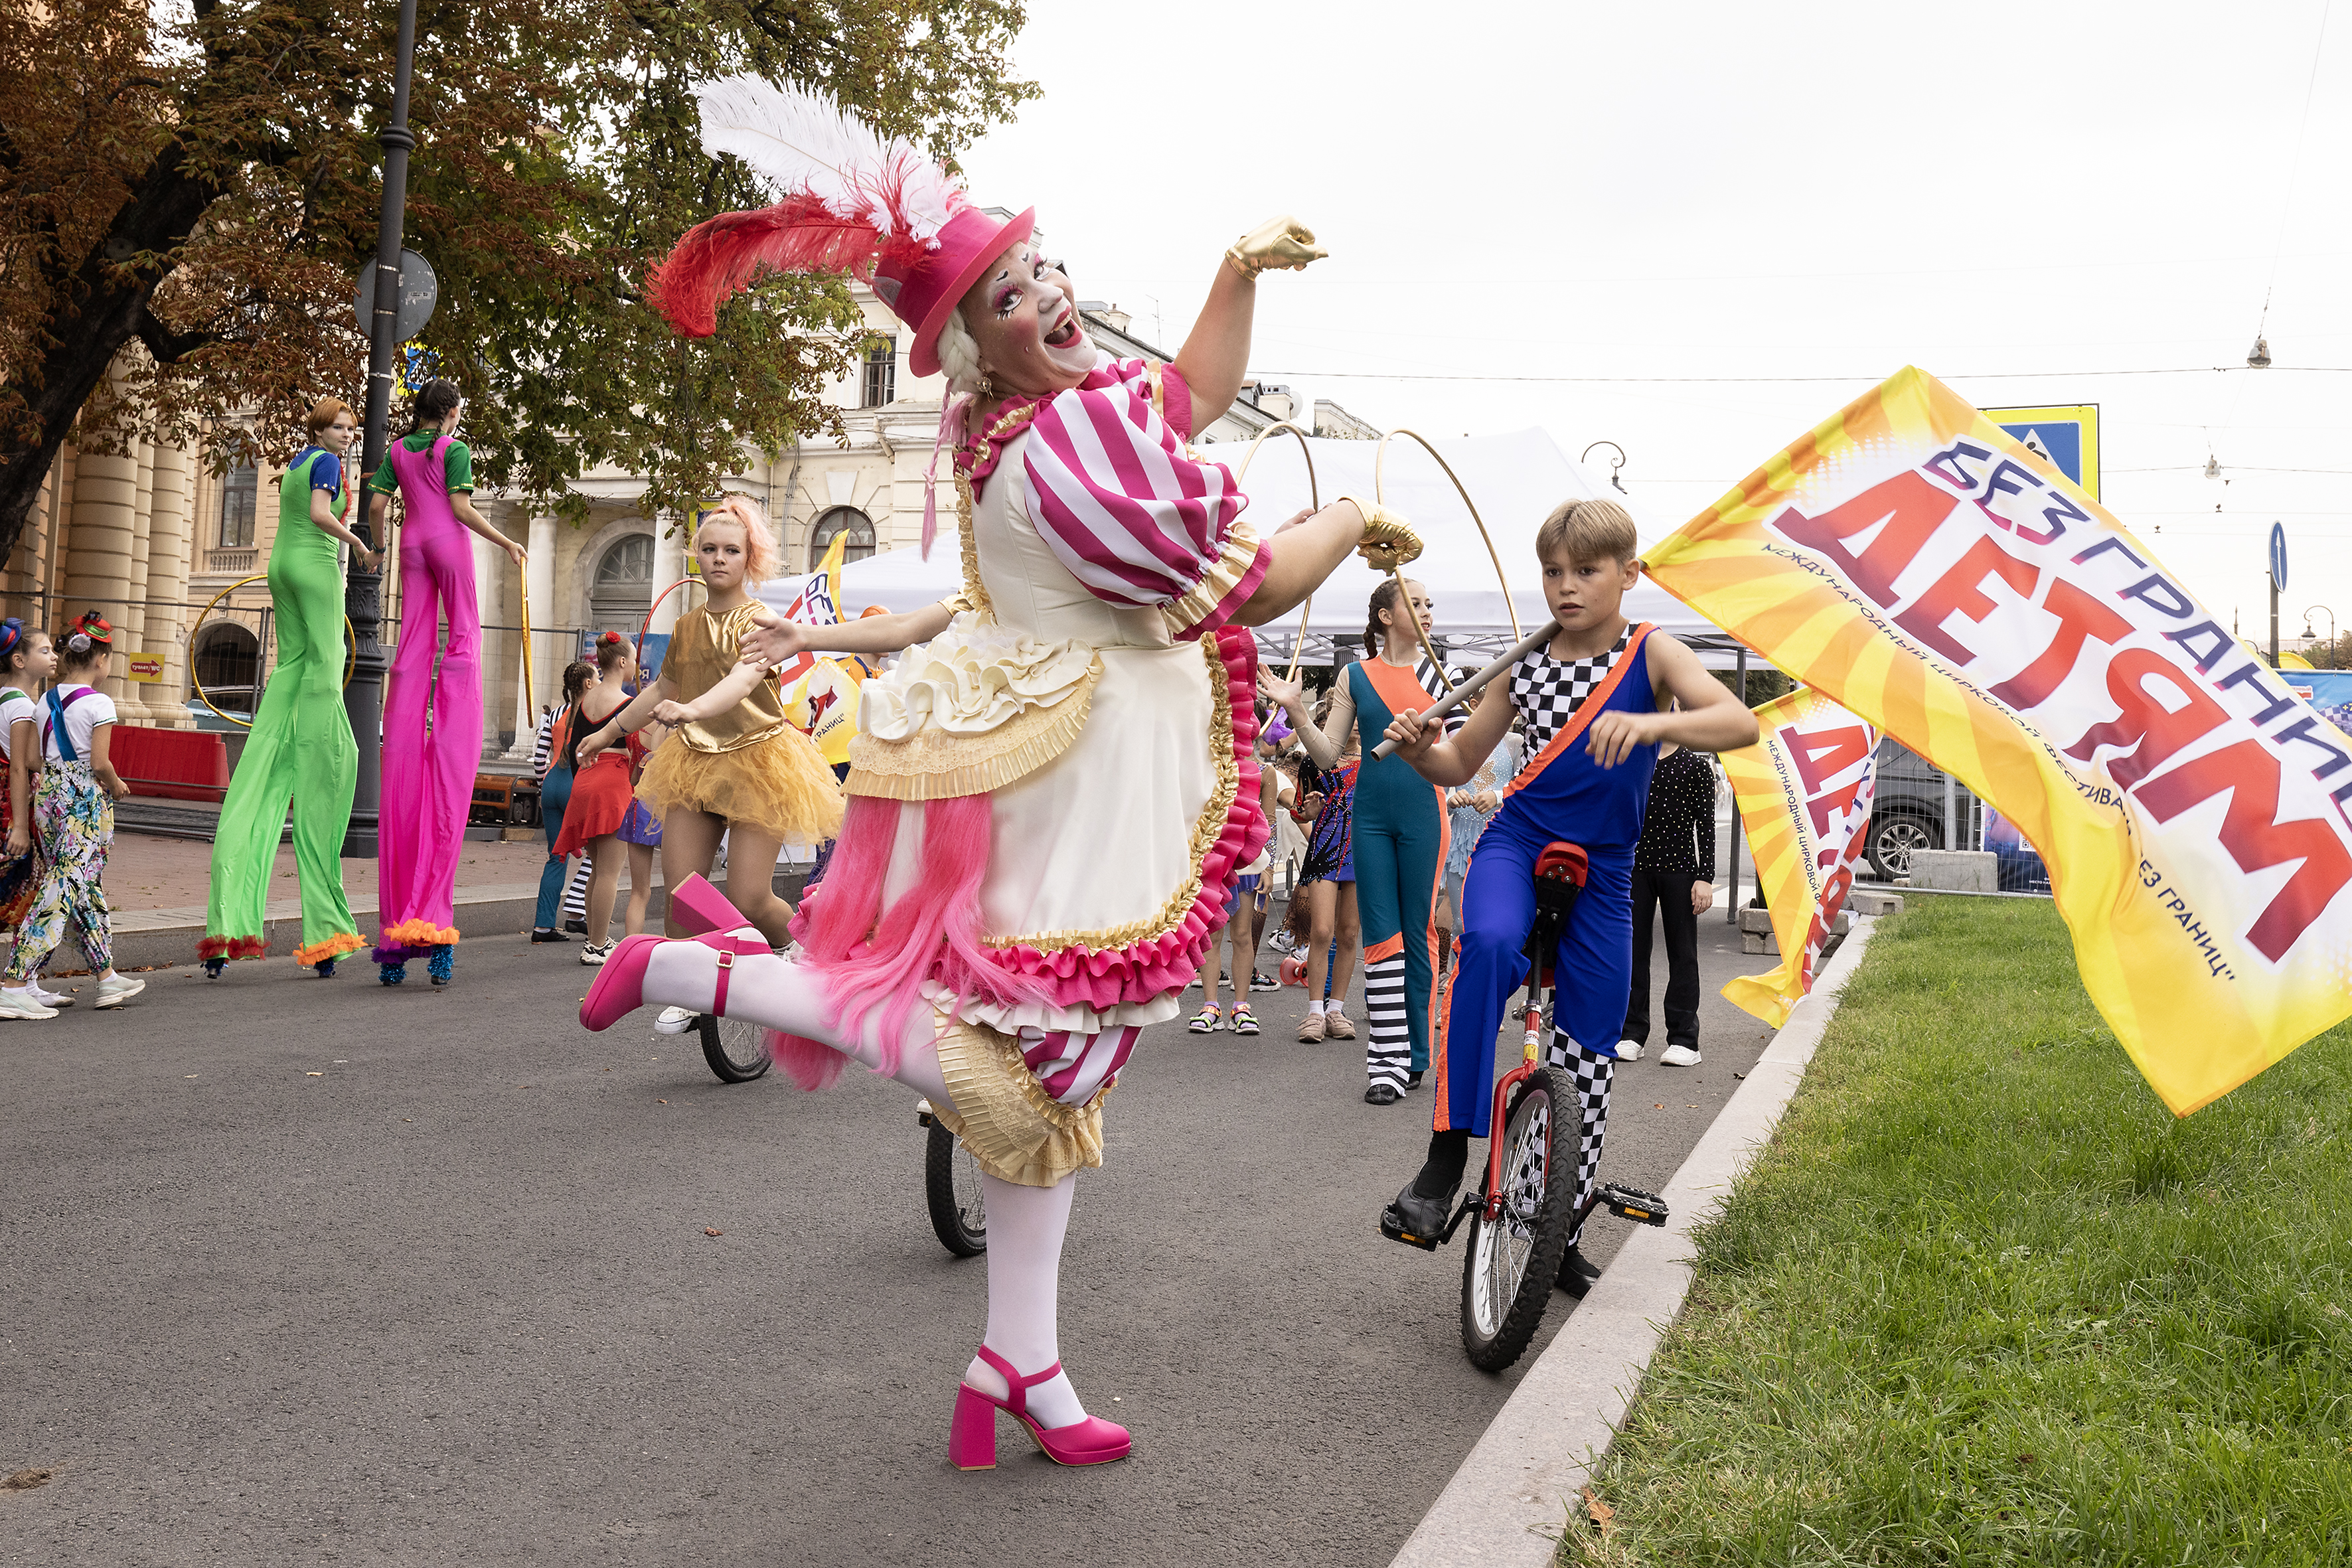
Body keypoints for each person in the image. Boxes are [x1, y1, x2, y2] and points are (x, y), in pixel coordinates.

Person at [581, 74, 1407, 1469]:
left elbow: (1190, 387)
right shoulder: (1055, 461)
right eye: (1015, 291)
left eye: (1046, 267)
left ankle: (1018, 1357)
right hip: (1074, 785)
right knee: (1029, 1063)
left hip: (1075, 753)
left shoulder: (1059, 412)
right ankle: (706, 972)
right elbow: (1251, 584)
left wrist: (1233, 270)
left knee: (1061, 1089)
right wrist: (1349, 514)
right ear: (973, 343)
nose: (1050, 295)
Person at [1376, 499, 1757, 1293]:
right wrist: (1421, 752)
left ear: (1630, 573)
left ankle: (1563, 1217)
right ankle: (1449, 1156)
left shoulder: (1653, 653)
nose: (1566, 586)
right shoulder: (1525, 661)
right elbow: (1458, 765)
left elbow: (1739, 722)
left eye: (1587, 570)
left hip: (1607, 867)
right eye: (1553, 571)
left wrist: (1655, 728)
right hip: (1517, 842)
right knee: (1483, 949)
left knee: (1588, 1054)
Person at [574, 495, 844, 998]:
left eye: (732, 550)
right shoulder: (687, 626)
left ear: (749, 559)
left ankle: (807, 956)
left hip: (760, 762)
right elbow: (659, 691)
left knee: (748, 895)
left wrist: (691, 711)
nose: (720, 558)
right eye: (710, 549)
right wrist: (608, 733)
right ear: (696, 554)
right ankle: (696, 996)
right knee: (683, 899)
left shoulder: (760, 622)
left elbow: (741, 682)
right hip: (697, 761)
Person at [1263, 579, 1460, 1103]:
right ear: (1384, 616)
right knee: (1380, 933)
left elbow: (1462, 757)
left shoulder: (1443, 673)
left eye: (1428, 603)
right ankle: (1386, 1064)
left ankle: (1419, 1054)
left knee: (1418, 933)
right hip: (1368, 820)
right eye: (1415, 603)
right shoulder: (1354, 675)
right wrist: (1297, 710)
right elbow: (1328, 757)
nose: (1426, 612)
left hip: (1424, 814)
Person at [202, 398, 378, 979]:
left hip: (281, 566)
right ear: (320, 430)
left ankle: (226, 928)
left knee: (292, 671)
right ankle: (325, 932)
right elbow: (325, 515)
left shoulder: (295, 462)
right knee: (325, 679)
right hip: (315, 566)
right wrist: (355, 543)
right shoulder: (326, 465)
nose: (347, 436)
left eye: (351, 429)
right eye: (339, 428)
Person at [365, 378, 528, 986]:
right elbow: (459, 510)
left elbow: (378, 507)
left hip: (409, 543)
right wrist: (506, 540)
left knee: (411, 650)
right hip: (447, 542)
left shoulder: (399, 451)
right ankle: (455, 703)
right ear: (452, 412)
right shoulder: (449, 449)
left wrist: (377, 550)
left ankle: (409, 707)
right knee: (461, 642)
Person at [0, 613, 145, 1017]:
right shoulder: (100, 702)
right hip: (83, 799)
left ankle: (106, 977)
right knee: (62, 888)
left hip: (48, 797)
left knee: (82, 886)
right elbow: (100, 762)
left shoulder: (45, 699)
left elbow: (30, 758)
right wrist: (115, 784)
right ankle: (13, 982)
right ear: (101, 660)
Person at [1620, 725, 1718, 1065]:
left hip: (1680, 870)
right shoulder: (1634, 759)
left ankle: (1684, 1039)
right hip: (1635, 868)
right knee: (1632, 951)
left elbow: (1705, 825)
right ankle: (1631, 1033)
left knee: (1683, 952)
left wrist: (1705, 877)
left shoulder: (1696, 766)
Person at [1190, 724, 1289, 1036]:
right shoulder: (1207, 767)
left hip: (1249, 863)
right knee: (1213, 936)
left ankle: (1241, 1006)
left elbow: (1270, 822)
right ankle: (1210, 1006)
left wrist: (1269, 868)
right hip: (1215, 861)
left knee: (1243, 935)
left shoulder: (1265, 773)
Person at [552, 633, 639, 963]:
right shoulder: (627, 704)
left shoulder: (584, 701)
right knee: (609, 873)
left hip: (585, 782)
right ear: (621, 662)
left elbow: (574, 748)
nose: (634, 664)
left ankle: (595, 939)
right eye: (632, 658)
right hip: (612, 784)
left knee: (596, 868)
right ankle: (597, 944)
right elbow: (636, 750)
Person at [1285, 698, 1360, 1042]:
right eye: (1349, 716)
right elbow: (1298, 812)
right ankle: (1315, 1011)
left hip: (1362, 853)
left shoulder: (1377, 759)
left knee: (1348, 933)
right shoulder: (1314, 763)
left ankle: (1336, 1010)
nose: (1355, 724)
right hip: (1324, 852)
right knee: (1321, 931)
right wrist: (1309, 809)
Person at [0, 621, 57, 1004]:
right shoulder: (21, 705)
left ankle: (28, 982)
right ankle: (17, 985)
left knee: (26, 896)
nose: (54, 657)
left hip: (11, 803)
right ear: (19, 660)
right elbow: (24, 764)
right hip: (13, 807)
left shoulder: (7, 698)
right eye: (45, 650)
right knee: (28, 896)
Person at [530, 662, 593, 944]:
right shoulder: (594, 714)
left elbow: (540, 757)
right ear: (588, 684)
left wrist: (544, 789)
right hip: (576, 785)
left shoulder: (555, 713)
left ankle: (543, 926)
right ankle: (576, 912)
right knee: (599, 854)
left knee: (556, 858)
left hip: (552, 786)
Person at [617, 721, 666, 937]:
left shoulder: (640, 729)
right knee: (679, 892)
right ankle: (673, 953)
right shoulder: (683, 725)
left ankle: (631, 950)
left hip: (641, 805)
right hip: (672, 808)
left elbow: (634, 777)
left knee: (639, 892)